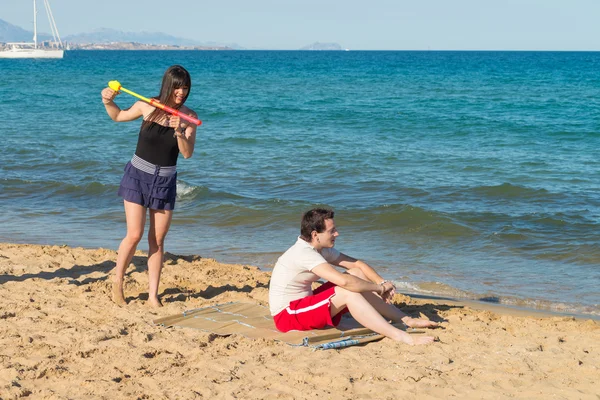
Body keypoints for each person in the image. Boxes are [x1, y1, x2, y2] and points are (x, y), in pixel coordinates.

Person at [100, 65, 198, 307]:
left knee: (157, 240)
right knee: (134, 235)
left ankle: (153, 295)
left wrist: (179, 131)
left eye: (185, 88)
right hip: (138, 175)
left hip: (165, 180)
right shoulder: (147, 105)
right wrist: (107, 101)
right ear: (168, 86)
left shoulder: (188, 117)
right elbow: (117, 116)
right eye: (178, 87)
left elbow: (187, 154)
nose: (181, 93)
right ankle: (118, 283)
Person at [269, 208, 438, 345]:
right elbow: (343, 282)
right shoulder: (304, 253)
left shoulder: (320, 248)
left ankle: (405, 319)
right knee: (348, 290)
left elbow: (357, 266)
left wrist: (382, 281)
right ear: (315, 235)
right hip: (287, 316)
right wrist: (379, 289)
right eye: (332, 231)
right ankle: (400, 336)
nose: (337, 234)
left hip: (304, 305)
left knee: (356, 275)